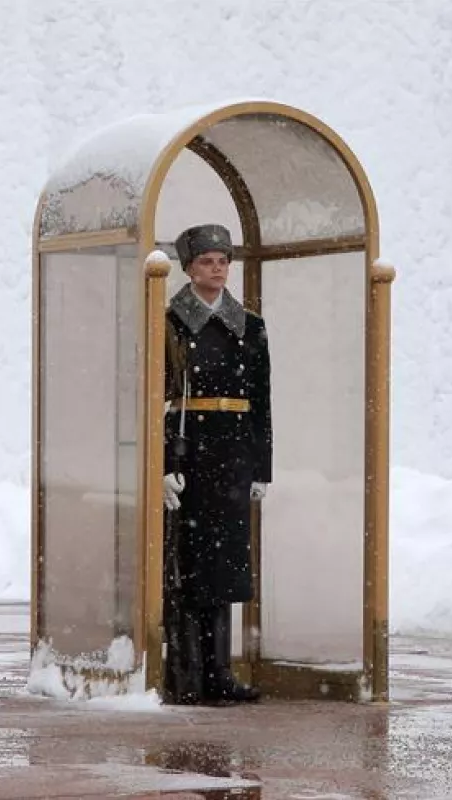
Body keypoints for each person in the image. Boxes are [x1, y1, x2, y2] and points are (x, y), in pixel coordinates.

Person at [160, 223, 272, 706]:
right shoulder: (170, 322)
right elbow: (159, 399)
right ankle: (186, 674)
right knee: (187, 567)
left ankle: (219, 671)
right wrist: (162, 463)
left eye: (224, 261)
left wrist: (262, 467)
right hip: (191, 454)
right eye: (208, 261)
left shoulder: (250, 325)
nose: (218, 269)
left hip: (231, 457)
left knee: (225, 568)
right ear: (188, 267)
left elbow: (262, 402)